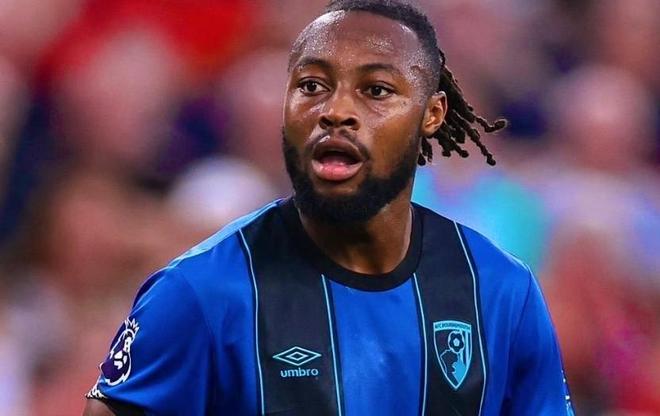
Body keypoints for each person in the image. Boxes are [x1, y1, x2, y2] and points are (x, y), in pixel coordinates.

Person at [84, 0, 574, 414]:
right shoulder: (200, 292)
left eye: (376, 90)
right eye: (311, 86)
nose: (335, 111)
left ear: (432, 115)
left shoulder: (500, 290)